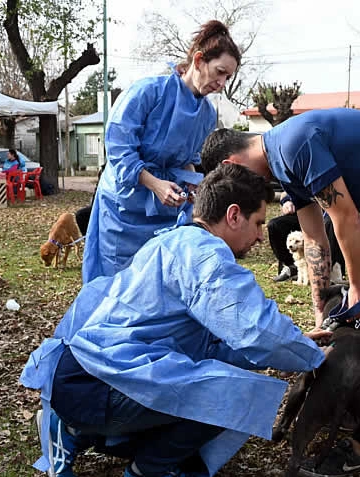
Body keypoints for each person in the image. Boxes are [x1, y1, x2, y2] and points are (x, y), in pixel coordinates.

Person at [20, 164, 330, 477]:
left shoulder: (175, 238)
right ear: (233, 215)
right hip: (100, 385)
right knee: (236, 391)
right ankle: (148, 476)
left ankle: (72, 430)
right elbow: (255, 329)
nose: (260, 236)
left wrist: (294, 347)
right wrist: (311, 357)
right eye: (258, 223)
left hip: (81, 377)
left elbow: (214, 345)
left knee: (207, 375)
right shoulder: (204, 255)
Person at [201, 107, 360, 477]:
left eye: (230, 179)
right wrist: (321, 303)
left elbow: (346, 218)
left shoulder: (295, 146)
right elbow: (314, 236)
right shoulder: (283, 162)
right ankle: (356, 411)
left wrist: (356, 286)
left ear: (232, 163)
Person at [81, 20, 241, 283]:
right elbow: (119, 147)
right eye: (219, 72)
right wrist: (154, 184)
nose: (222, 83)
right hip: (125, 204)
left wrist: (191, 187)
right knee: (117, 281)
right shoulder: (148, 92)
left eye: (228, 77)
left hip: (166, 209)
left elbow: (189, 160)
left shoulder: (207, 113)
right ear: (199, 60)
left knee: (156, 281)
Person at [268, 191, 346, 282]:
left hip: (329, 211)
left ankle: (330, 270)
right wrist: (286, 201)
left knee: (330, 223)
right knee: (275, 225)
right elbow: (284, 193)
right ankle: (292, 266)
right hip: (305, 212)